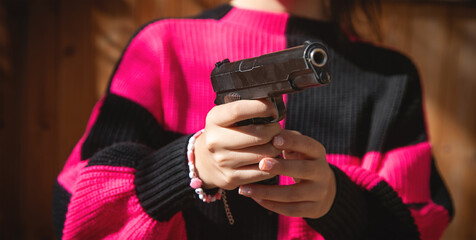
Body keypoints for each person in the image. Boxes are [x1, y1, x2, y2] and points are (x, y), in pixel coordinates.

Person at [52, 0, 454, 239]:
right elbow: (73, 213)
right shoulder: (161, 48)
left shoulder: (389, 76)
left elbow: (419, 226)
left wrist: (340, 203)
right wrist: (188, 167)